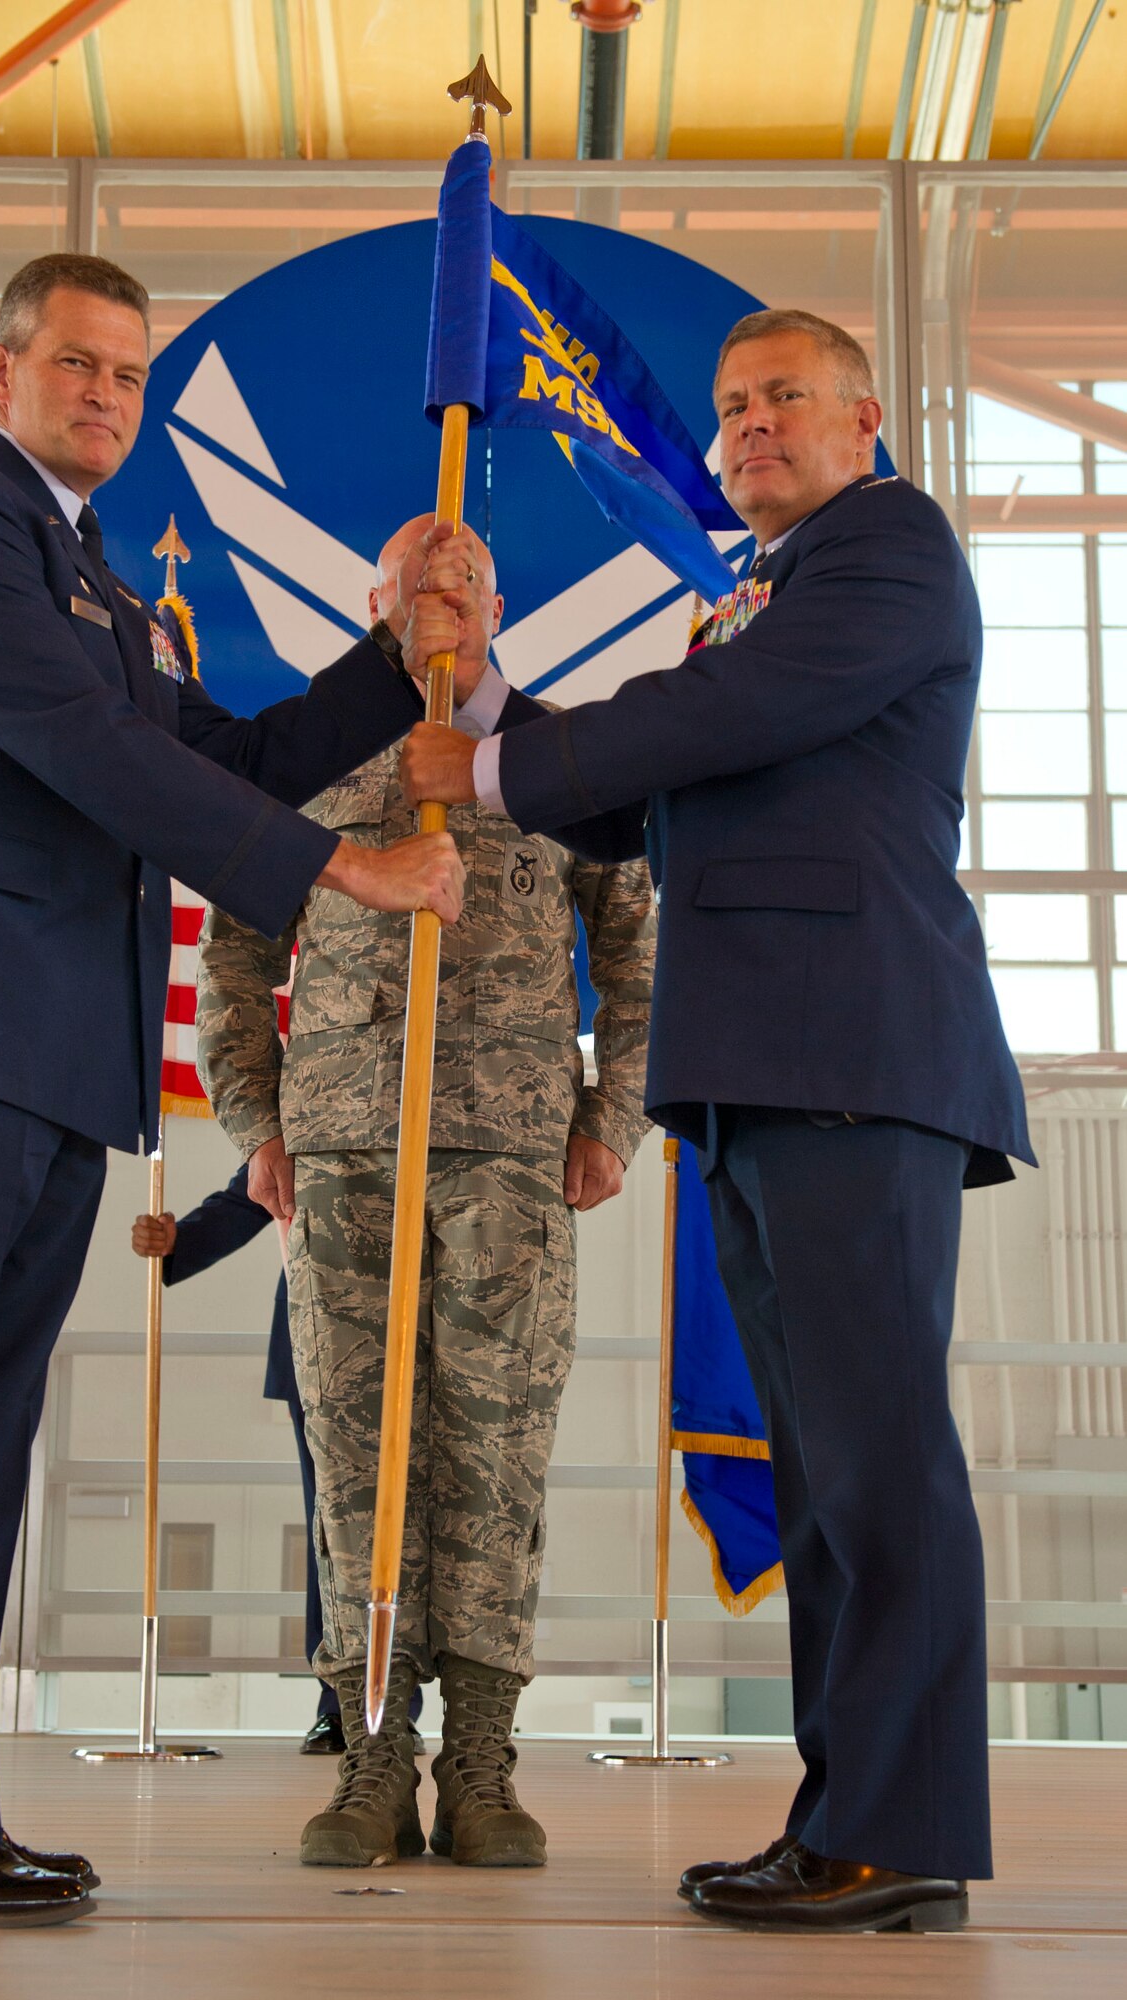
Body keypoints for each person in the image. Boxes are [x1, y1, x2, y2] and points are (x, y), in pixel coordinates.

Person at [0, 251, 464, 1929]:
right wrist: (340, 879)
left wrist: (391, 658)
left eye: (126, 375)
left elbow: (201, 760)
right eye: (75, 363)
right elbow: (83, 753)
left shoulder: (90, 576)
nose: (104, 395)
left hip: (40, 1062)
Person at [399, 308, 1033, 1934]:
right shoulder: (760, 599)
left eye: (784, 400)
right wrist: (483, 707)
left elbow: (714, 729)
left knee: (874, 1461)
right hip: (757, 1060)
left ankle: (896, 1834)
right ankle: (852, 1821)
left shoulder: (884, 553)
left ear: (866, 420)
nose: (748, 426)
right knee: (823, 1461)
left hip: (848, 1049)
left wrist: (484, 779)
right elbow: (643, 785)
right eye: (732, 404)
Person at [197, 515, 655, 1871]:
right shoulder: (308, 751)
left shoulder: (561, 758)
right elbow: (233, 947)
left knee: (493, 1462)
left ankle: (484, 1763)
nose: (445, 601)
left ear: (502, 603)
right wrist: (256, 1119)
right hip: (342, 1156)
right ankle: (374, 1758)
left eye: (467, 583)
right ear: (375, 601)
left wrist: (614, 1118)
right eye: (419, 585)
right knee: (357, 1461)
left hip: (510, 1160)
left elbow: (637, 948)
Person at [130, 1167, 425, 1753]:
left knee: (406, 1527)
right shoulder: (310, 1095)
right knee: (331, 1529)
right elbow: (249, 1194)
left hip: (416, 1331)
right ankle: (340, 1705)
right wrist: (177, 1243)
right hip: (315, 1338)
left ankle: (395, 1705)